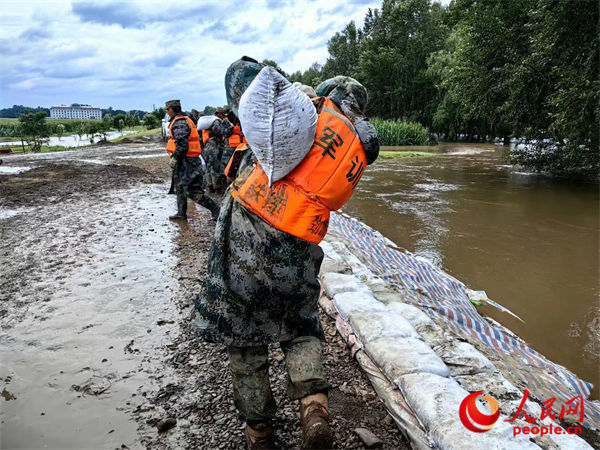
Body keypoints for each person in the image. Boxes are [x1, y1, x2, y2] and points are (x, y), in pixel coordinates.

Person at [193, 57, 379, 449]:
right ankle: (314, 408)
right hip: (297, 240)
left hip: (247, 230)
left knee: (244, 337)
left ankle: (259, 431)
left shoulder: (297, 114)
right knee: (300, 325)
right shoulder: (353, 144)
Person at [165, 99, 220, 221]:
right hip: (185, 160)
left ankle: (215, 209)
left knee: (191, 191)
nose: (167, 112)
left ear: (171, 110)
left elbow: (183, 145)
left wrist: (175, 157)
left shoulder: (180, 123)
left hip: (188, 161)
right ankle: (181, 213)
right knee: (179, 186)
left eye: (167, 110)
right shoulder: (182, 120)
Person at [202, 109, 225, 194]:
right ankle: (217, 188)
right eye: (223, 114)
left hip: (207, 146)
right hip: (214, 146)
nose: (223, 116)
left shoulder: (210, 121)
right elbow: (217, 130)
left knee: (209, 167)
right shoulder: (216, 121)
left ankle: (210, 187)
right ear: (219, 114)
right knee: (215, 166)